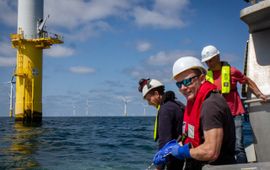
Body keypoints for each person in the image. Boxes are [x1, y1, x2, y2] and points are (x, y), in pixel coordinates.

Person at [153, 56, 236, 169]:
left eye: (187, 81)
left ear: (202, 78)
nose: (183, 88)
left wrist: (182, 152)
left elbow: (211, 151)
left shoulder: (210, 105)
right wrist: (171, 149)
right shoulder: (193, 102)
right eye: (179, 84)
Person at [201, 45, 267, 163]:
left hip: (234, 114)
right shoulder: (206, 77)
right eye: (206, 61)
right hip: (219, 117)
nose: (208, 63)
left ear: (218, 57)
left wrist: (259, 94)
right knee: (220, 148)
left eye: (210, 60)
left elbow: (247, 81)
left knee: (238, 148)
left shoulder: (232, 71)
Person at [138, 78, 185, 170]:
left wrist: (159, 167)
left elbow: (165, 141)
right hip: (182, 156)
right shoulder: (176, 104)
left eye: (149, 99)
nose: (148, 103)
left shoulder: (165, 109)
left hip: (175, 161)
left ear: (156, 94)